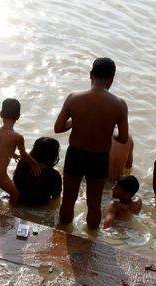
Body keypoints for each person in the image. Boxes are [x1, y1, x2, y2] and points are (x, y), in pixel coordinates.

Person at [54, 57, 128, 230]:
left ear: (91, 75)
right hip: (99, 158)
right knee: (94, 204)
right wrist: (110, 128)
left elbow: (58, 128)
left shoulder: (73, 98)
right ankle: (91, 240)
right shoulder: (119, 104)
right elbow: (123, 138)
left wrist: (76, 120)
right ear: (112, 78)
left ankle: (64, 233)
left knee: (68, 199)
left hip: (76, 154)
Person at [0, 98, 41, 207]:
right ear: (18, 116)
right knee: (15, 193)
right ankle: (10, 216)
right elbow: (24, 155)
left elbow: (0, 148)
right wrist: (34, 163)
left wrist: (13, 155)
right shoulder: (18, 137)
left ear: (1, 114)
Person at [13, 136, 62, 206]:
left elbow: (15, 182)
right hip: (39, 208)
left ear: (34, 150)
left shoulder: (22, 164)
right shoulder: (54, 175)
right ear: (54, 156)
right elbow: (56, 199)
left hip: (19, 203)